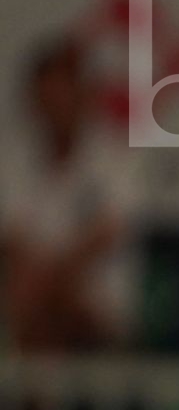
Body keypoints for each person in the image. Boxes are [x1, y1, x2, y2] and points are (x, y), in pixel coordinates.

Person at [0, 36, 142, 353]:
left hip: (96, 311)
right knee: (27, 298)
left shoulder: (114, 158)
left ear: (83, 95)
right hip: (30, 305)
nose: (54, 107)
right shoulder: (14, 159)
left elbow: (105, 235)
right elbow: (13, 240)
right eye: (46, 98)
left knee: (51, 301)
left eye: (62, 96)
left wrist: (48, 285)